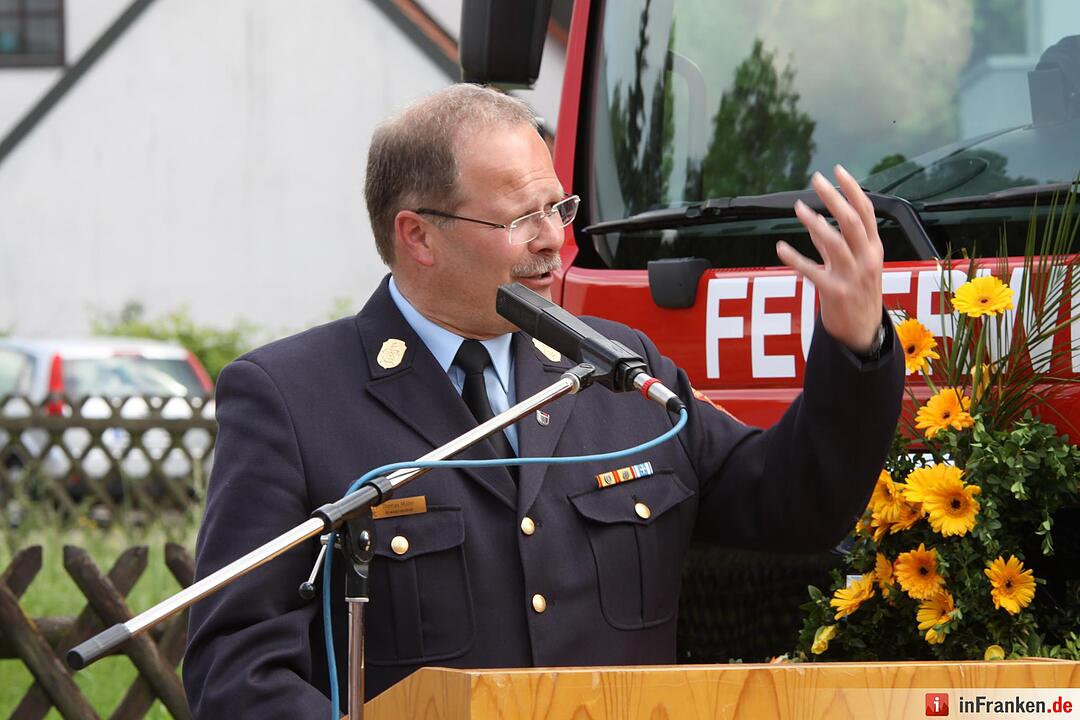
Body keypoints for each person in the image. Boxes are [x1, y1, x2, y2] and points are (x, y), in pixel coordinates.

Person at [183, 84, 904, 717]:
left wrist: (857, 346)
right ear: (418, 237)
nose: (553, 242)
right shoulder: (291, 399)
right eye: (517, 220)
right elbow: (237, 668)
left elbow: (795, 503)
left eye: (558, 207)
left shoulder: (619, 366)